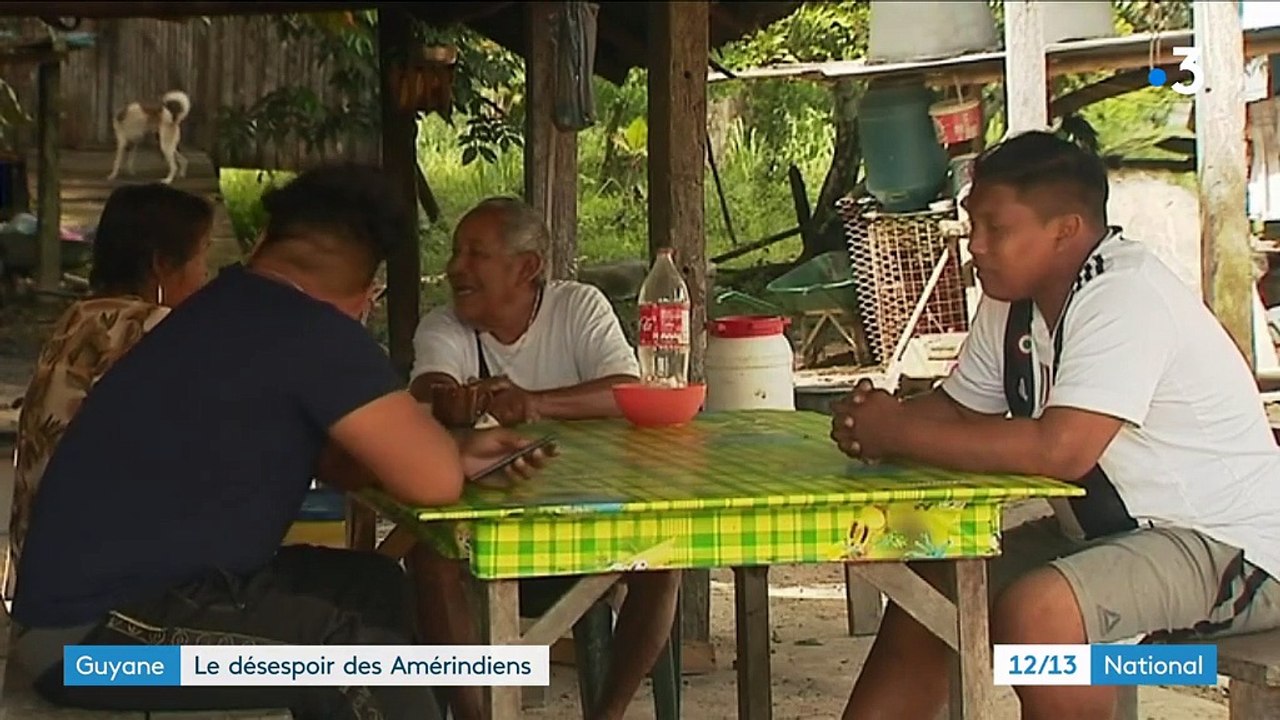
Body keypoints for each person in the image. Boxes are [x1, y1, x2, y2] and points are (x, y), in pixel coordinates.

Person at [10, 166, 552, 720]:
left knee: (372, 586)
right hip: (96, 648)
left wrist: (452, 453)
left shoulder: (219, 306)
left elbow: (343, 461)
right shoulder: (316, 332)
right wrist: (447, 457)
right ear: (367, 293)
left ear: (266, 240)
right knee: (353, 651)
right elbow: (433, 482)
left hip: (82, 622)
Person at [830, 131, 1280, 720]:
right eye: (973, 226)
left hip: (1235, 552)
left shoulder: (1124, 294)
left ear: (1065, 230)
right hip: (1112, 538)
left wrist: (898, 433)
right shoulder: (1014, 298)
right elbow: (963, 409)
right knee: (934, 586)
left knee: (1039, 620)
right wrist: (877, 420)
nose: (976, 246)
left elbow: (1060, 449)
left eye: (997, 228)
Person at [407, 196, 680, 720]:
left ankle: (608, 714)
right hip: (487, 537)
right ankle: (474, 715)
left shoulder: (578, 307)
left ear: (526, 268)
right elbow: (429, 384)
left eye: (474, 254)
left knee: (664, 558)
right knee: (430, 554)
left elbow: (627, 387)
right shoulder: (445, 324)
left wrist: (534, 404)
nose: (454, 268)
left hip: (587, 524)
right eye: (456, 252)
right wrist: (449, 399)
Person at [8, 183, 213, 598]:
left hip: (38, 572)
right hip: (104, 592)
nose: (206, 276)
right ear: (161, 265)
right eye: (202, 258)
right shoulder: (152, 328)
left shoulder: (77, 317)